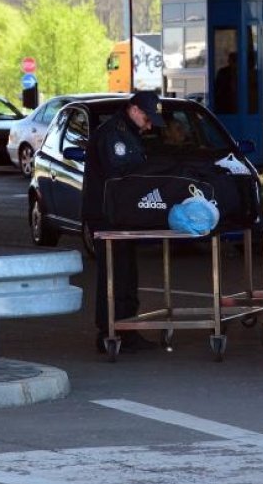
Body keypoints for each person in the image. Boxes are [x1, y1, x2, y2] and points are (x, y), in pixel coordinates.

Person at [82, 91, 166, 353]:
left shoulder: (127, 133)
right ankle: (109, 331)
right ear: (134, 109)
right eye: (147, 119)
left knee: (127, 274)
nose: (150, 125)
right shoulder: (113, 135)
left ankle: (127, 329)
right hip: (108, 215)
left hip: (122, 215)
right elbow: (121, 176)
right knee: (114, 274)